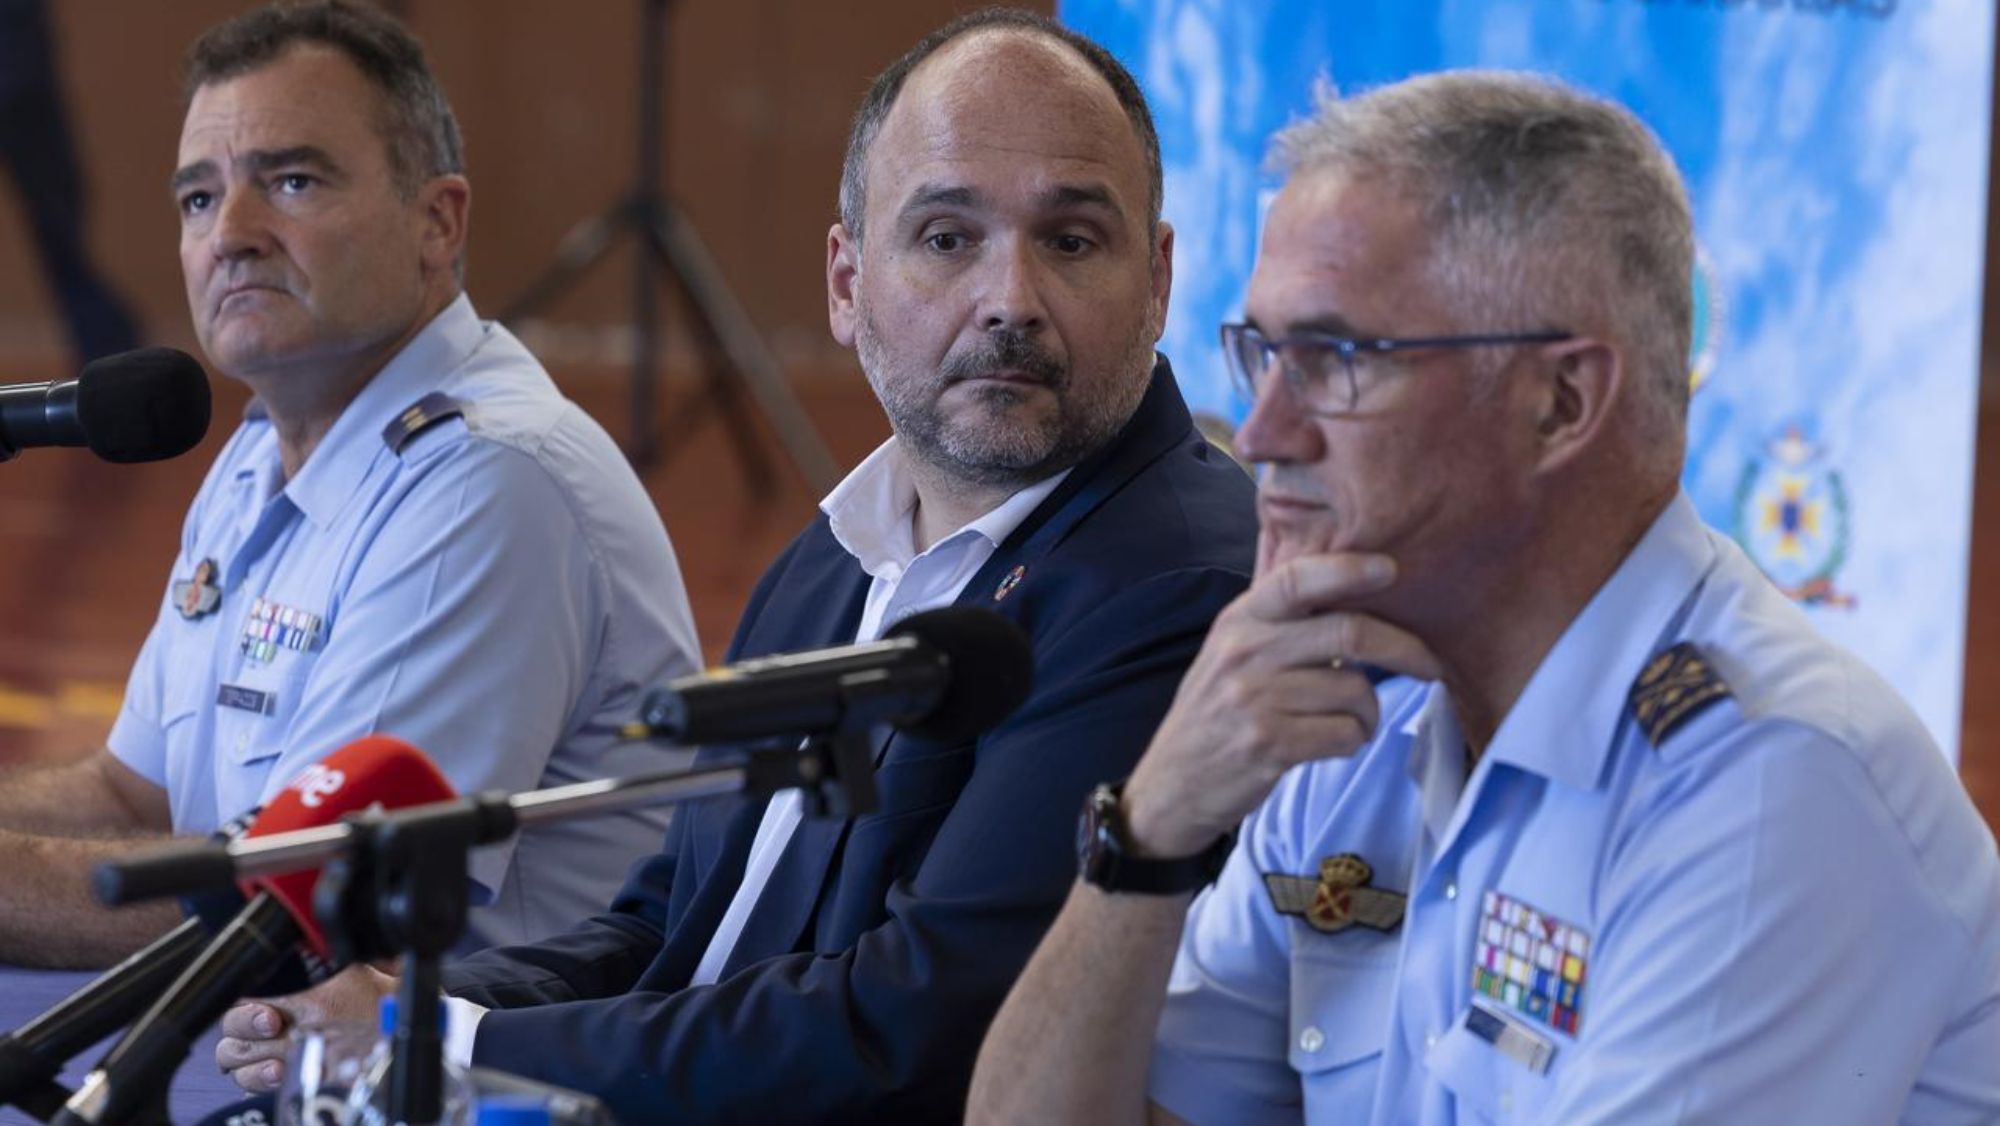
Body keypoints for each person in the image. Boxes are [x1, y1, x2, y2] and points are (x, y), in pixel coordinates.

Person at [216, 9, 1258, 1123]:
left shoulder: (1173, 586)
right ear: (846, 284)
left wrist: (443, 1038)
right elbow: (668, 923)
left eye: (1069, 240)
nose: (1008, 297)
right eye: (947, 238)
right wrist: (401, 998)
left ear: (1155, 280)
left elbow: (909, 1028)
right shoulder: (837, 552)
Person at [969, 70, 2000, 1126]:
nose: (1264, 433)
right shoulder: (1343, 715)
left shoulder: (1769, 779)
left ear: (1561, 402)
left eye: (1334, 361)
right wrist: (1146, 832)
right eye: (1262, 357)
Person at [0, 0, 702, 968]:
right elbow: (133, 796)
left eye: (290, 181)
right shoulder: (256, 459)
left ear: (436, 222)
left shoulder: (484, 485)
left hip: (470, 1089)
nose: (230, 234)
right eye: (198, 199)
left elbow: (290, 902)